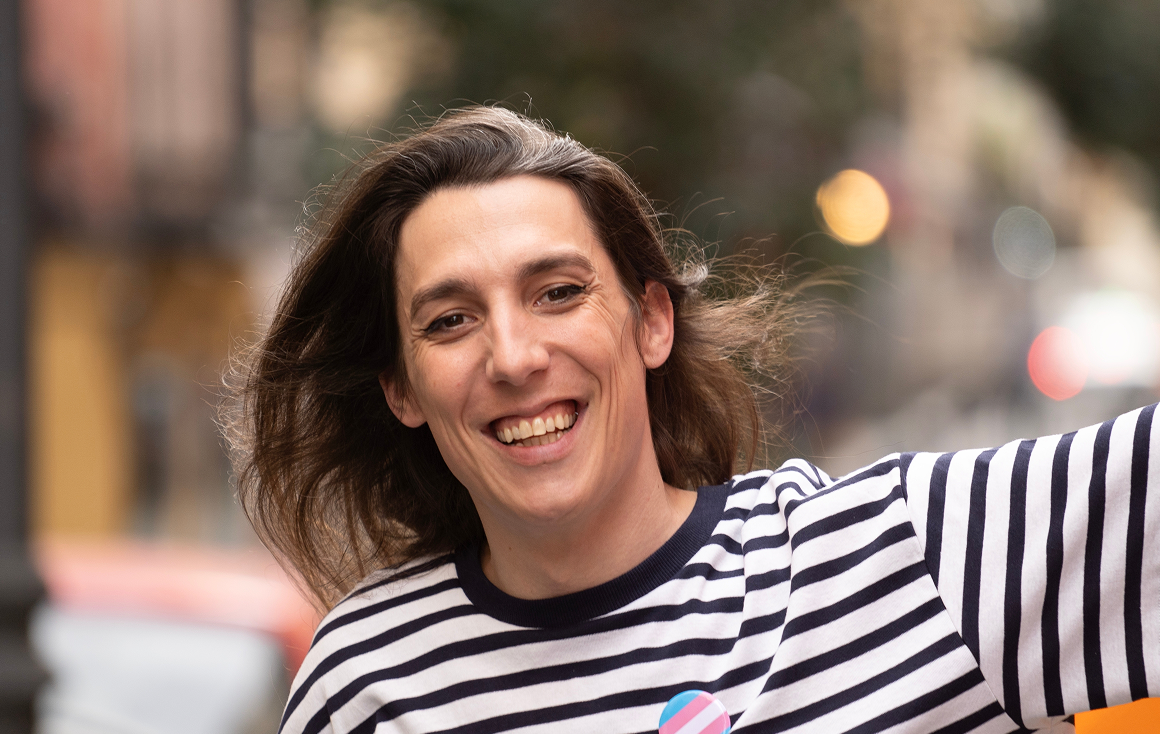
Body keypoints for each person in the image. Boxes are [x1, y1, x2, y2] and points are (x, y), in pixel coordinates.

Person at [228, 106, 1158, 734]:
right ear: (401, 389)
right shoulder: (371, 686)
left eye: (558, 292)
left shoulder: (906, 557)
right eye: (450, 321)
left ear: (652, 322)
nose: (512, 356)